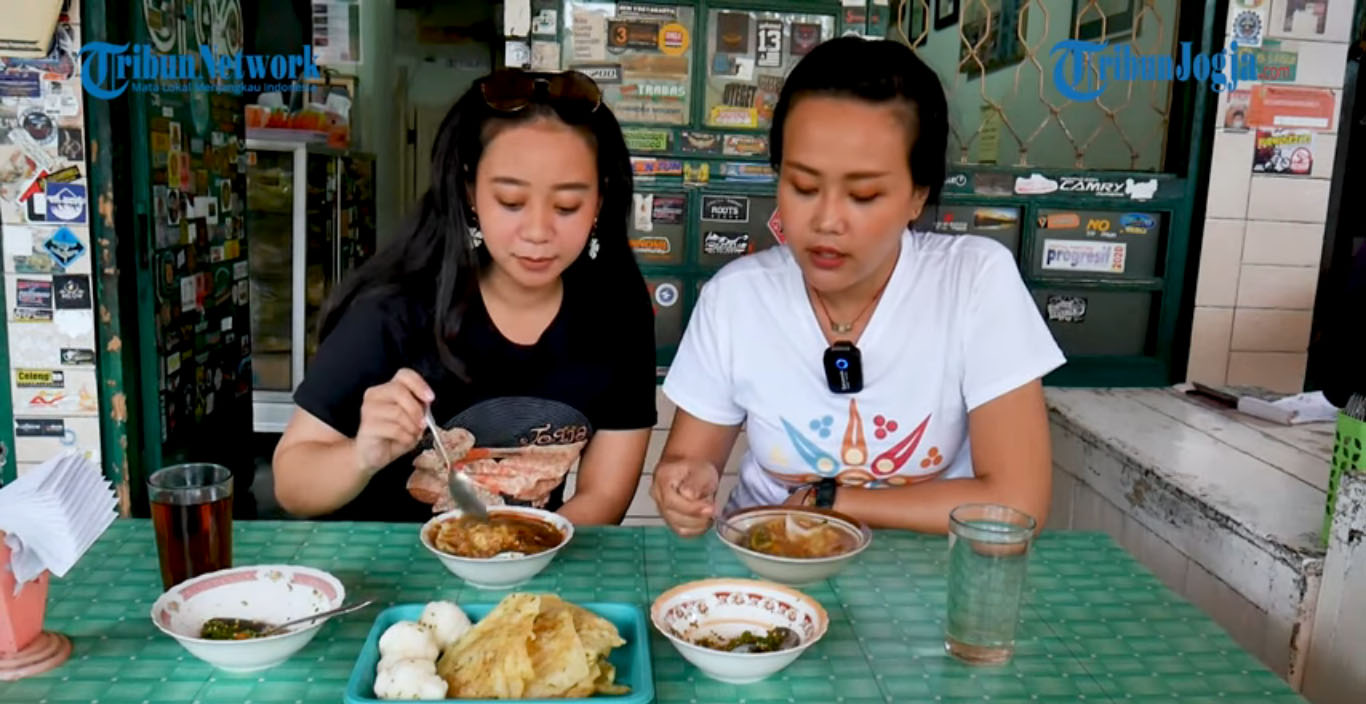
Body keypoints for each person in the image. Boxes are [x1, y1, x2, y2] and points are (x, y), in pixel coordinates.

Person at [651, 37, 1065, 536]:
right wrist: (683, 483)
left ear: (917, 194)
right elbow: (691, 459)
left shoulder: (974, 283)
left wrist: (831, 502)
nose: (826, 220)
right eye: (803, 187)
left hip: (924, 578)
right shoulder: (736, 298)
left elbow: (1015, 503)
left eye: (863, 195)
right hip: (766, 569)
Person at [273, 69, 657, 524]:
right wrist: (361, 454)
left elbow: (605, 494)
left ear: (600, 201)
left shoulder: (618, 311)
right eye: (511, 202)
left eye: (567, 206)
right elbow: (291, 484)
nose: (538, 233)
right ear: (471, 192)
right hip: (389, 577)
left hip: (531, 572)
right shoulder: (394, 309)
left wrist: (518, 557)